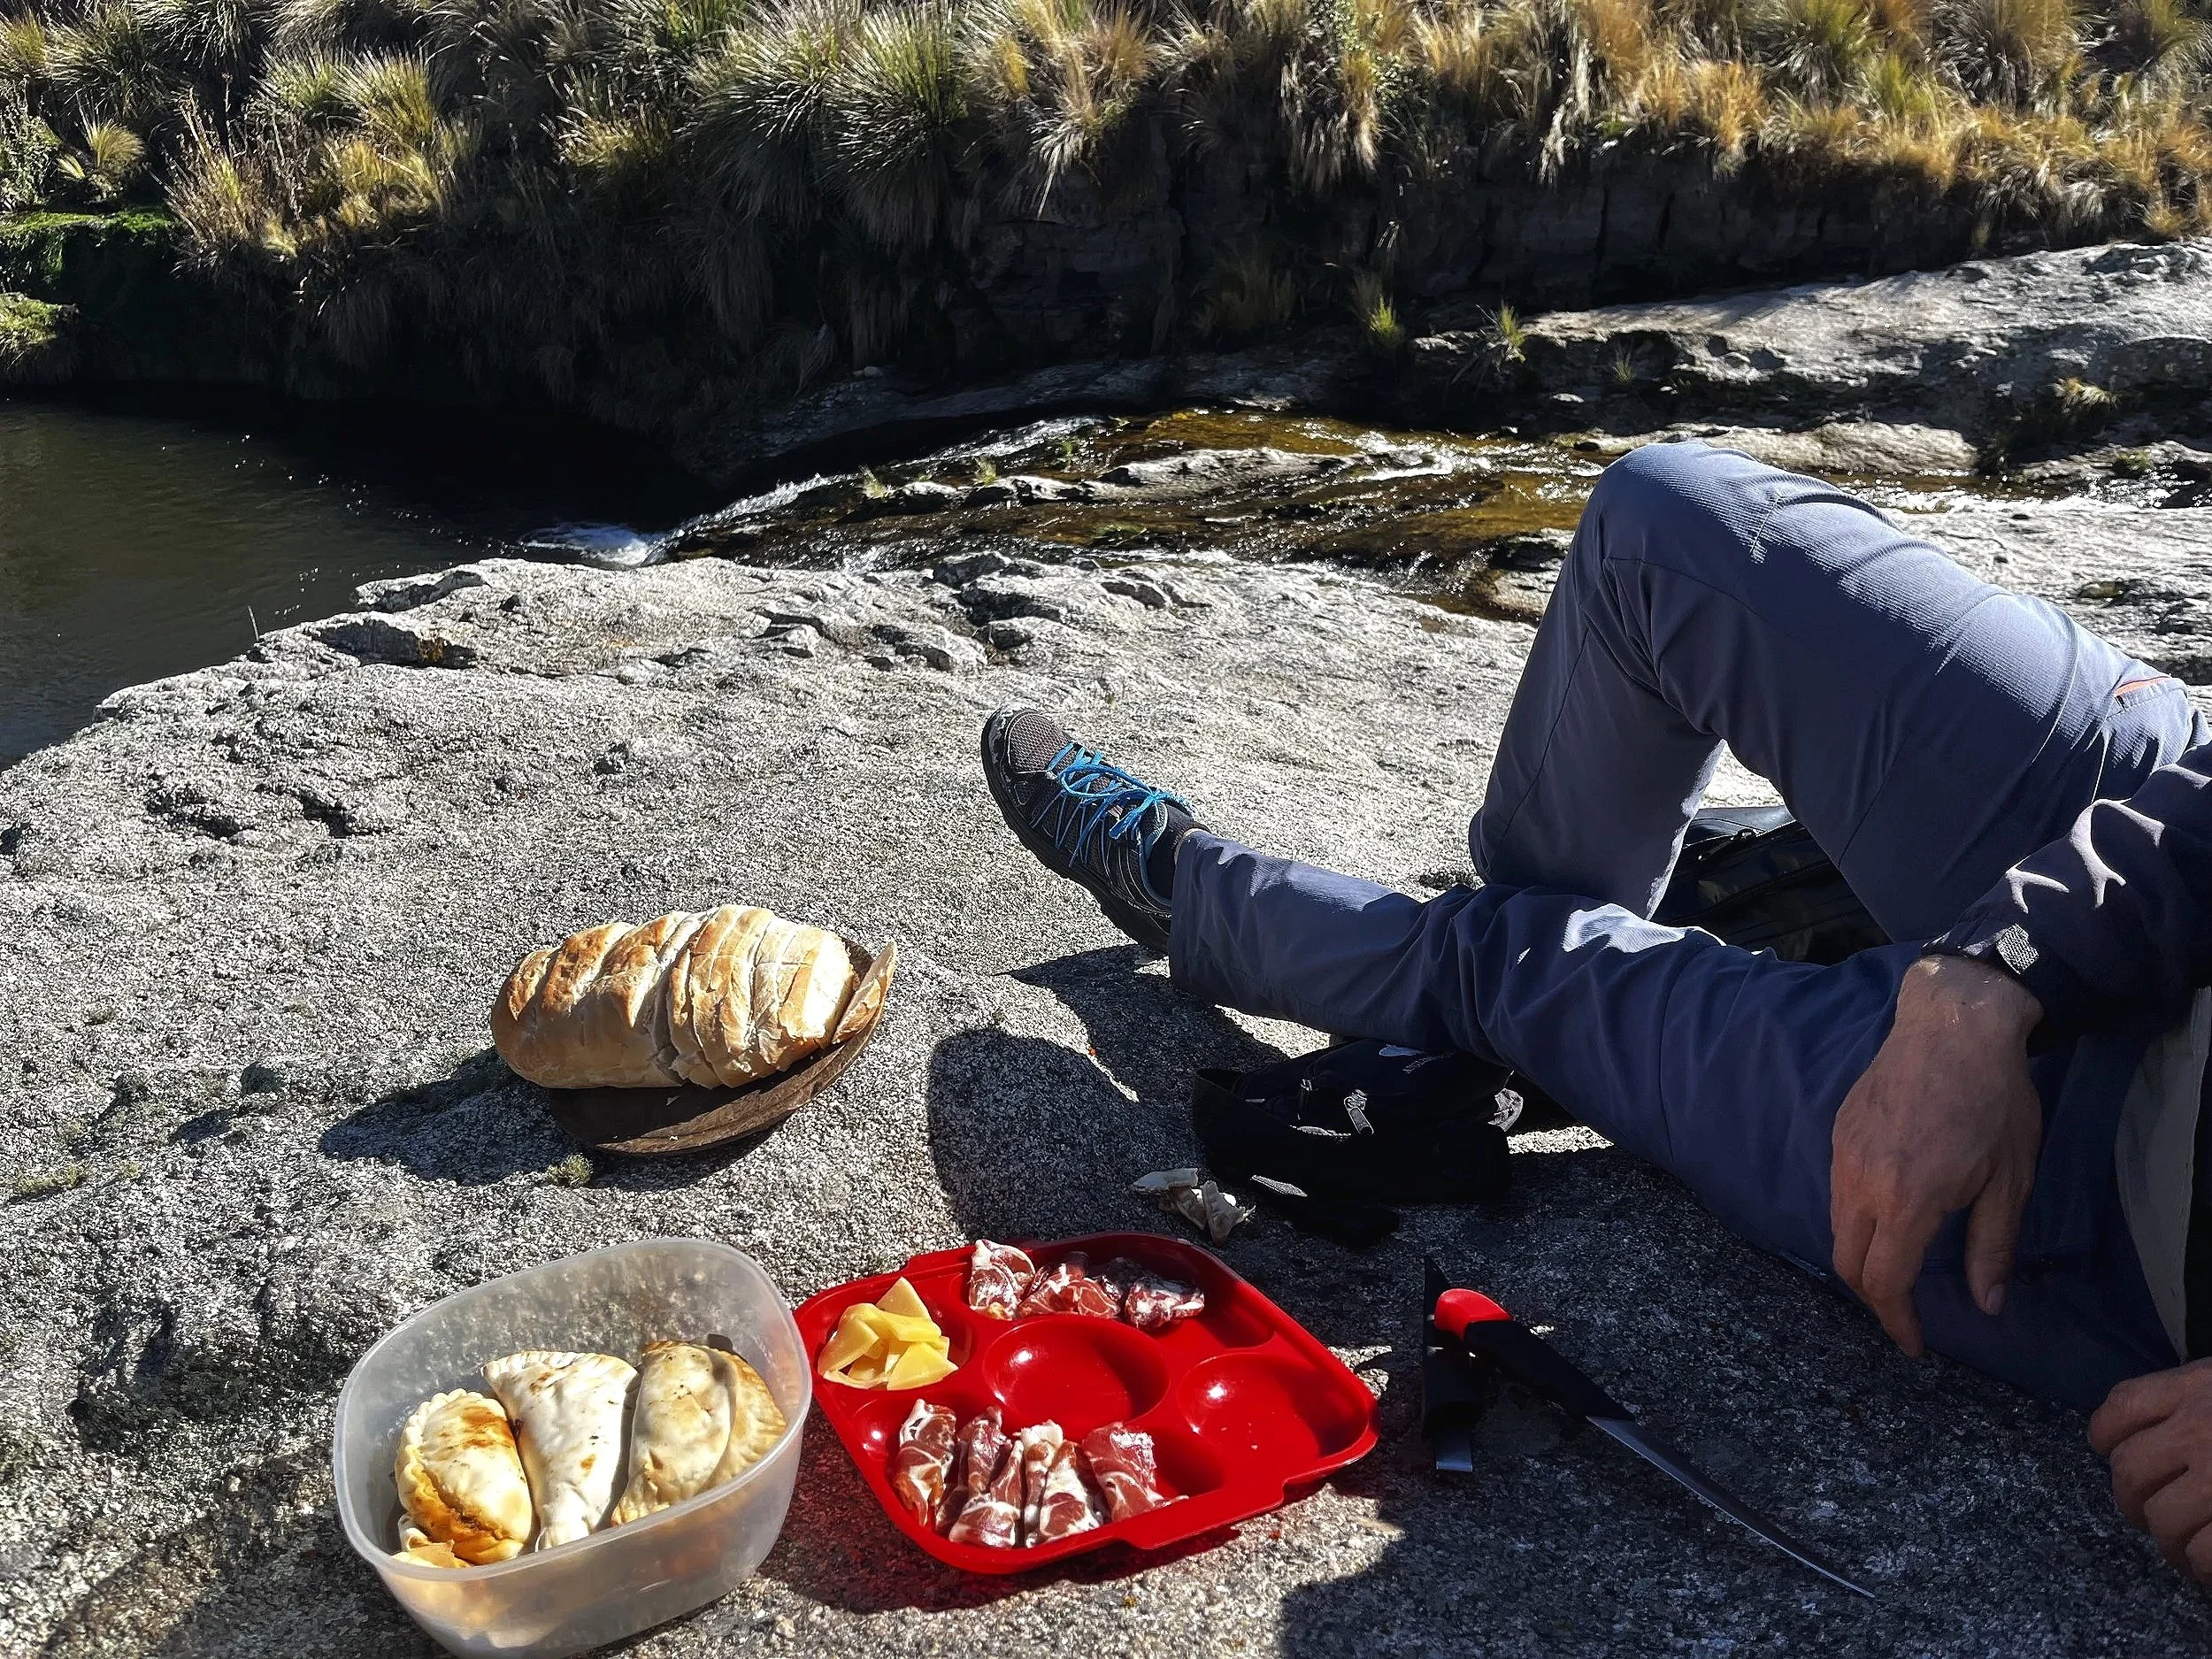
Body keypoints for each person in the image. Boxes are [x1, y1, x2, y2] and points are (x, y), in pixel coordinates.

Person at [978, 439, 2212, 1579]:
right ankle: (1518, 1013)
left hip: (2101, 1192)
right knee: (1658, 530)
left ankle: (1202, 889)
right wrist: (2000, 959)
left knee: (1518, 960)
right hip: (2166, 826)